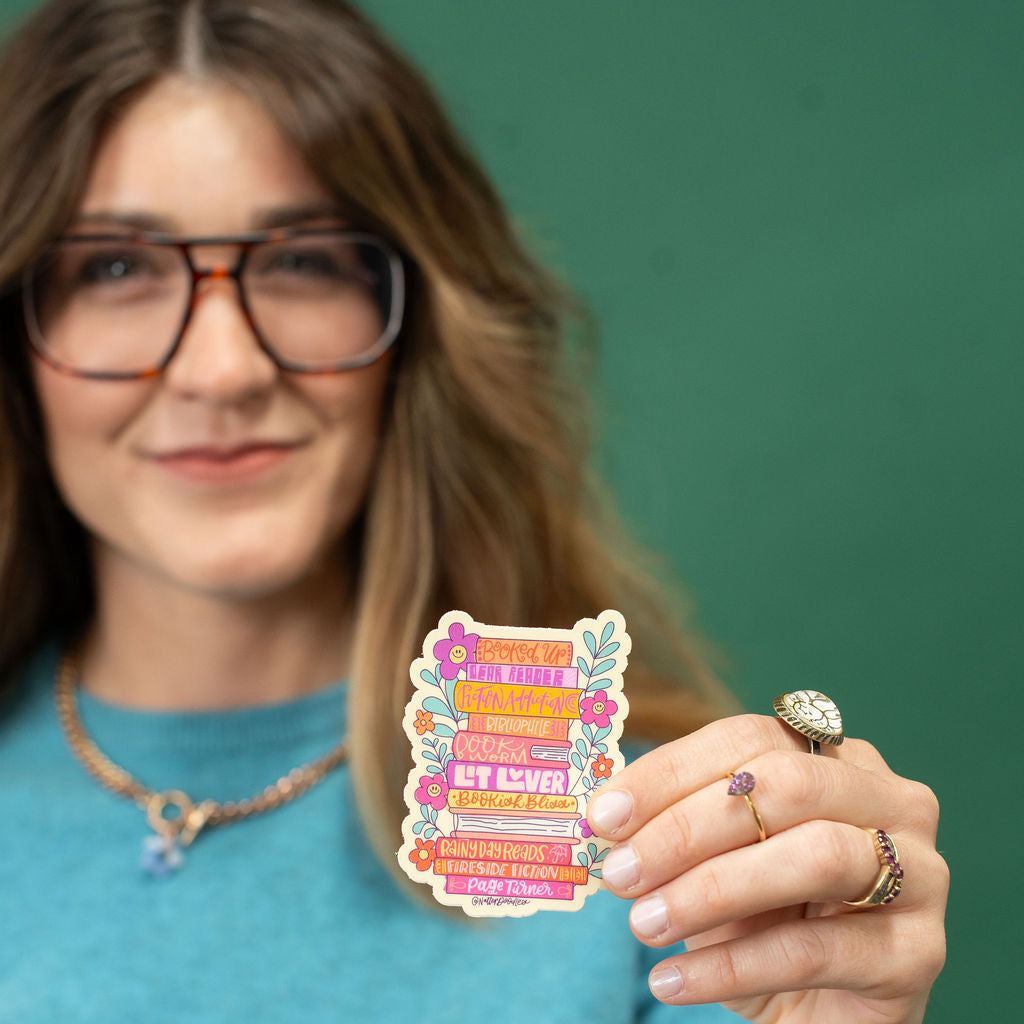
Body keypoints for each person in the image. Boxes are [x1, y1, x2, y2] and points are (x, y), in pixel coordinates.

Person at [0, 1, 947, 1021]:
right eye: (113, 268)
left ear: (415, 332)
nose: (223, 367)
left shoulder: (680, 874)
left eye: (304, 260)